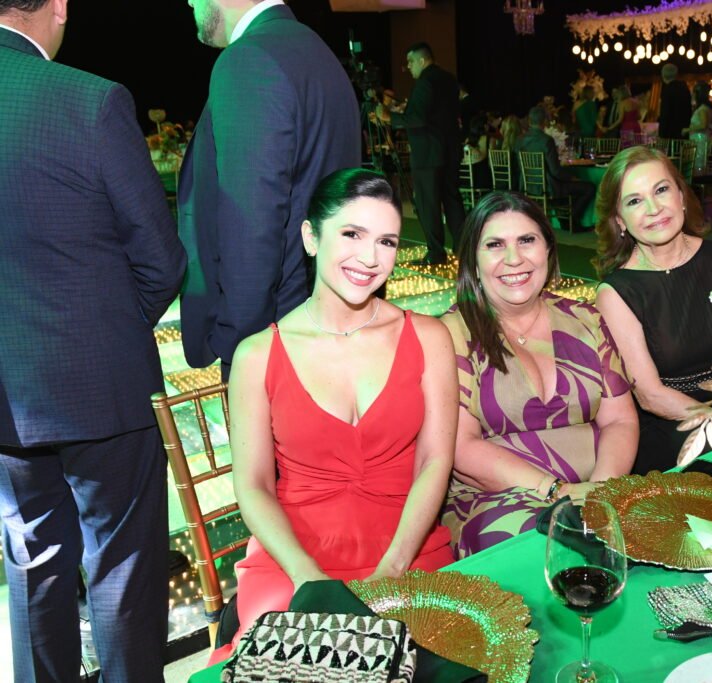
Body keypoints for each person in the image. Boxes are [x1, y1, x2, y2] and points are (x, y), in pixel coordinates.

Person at [0, 1, 187, 680]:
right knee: (123, 569)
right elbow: (161, 259)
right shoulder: (90, 100)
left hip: (7, 395)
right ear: (58, 6)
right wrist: (107, 332)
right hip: (101, 388)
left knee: (32, 565)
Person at [216, 168, 455, 662]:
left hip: (406, 545)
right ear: (311, 237)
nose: (370, 258)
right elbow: (253, 485)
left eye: (387, 241)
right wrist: (308, 579)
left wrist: (394, 568)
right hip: (293, 556)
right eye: (351, 234)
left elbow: (435, 461)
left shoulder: (429, 337)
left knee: (436, 661)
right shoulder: (257, 355)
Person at [441, 192, 638, 558]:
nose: (514, 258)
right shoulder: (451, 333)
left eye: (527, 240)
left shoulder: (586, 319)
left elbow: (620, 421)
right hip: (497, 499)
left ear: (548, 248)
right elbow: (461, 447)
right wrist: (557, 492)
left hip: (596, 486)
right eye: (495, 245)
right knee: (539, 548)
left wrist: (600, 494)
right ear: (473, 260)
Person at [178, 0, 360, 380]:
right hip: (326, 320)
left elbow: (252, 225)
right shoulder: (317, 52)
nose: (191, 2)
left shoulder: (249, 59)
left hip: (274, 339)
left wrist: (239, 345)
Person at [593, 147, 712, 474]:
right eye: (635, 201)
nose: (654, 209)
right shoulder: (616, 293)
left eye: (661, 190)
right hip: (675, 432)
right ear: (619, 221)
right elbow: (651, 395)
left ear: (681, 196)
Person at [387, 42, 466, 265]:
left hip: (428, 153)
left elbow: (417, 118)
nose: (408, 67)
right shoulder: (449, 79)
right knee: (452, 199)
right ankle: (463, 248)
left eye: (411, 61)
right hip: (450, 149)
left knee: (428, 204)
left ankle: (436, 253)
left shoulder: (424, 82)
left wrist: (389, 117)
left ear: (422, 60)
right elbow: (440, 114)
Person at [514, 105, 596, 231]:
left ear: (529, 121)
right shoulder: (546, 140)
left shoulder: (519, 140)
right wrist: (572, 177)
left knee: (566, 188)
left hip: (527, 185)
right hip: (548, 187)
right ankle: (571, 220)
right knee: (589, 188)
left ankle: (565, 220)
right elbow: (555, 171)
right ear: (544, 122)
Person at [686, 80, 712, 173]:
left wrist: (687, 129)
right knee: (701, 163)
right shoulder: (709, 108)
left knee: (698, 164)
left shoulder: (703, 109)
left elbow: (703, 125)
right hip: (704, 138)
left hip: (699, 140)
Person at [658, 62, 692, 139]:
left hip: (670, 133)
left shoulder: (667, 90)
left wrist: (661, 134)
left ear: (663, 75)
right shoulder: (684, 89)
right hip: (683, 130)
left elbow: (665, 114)